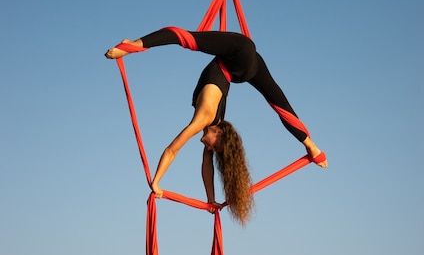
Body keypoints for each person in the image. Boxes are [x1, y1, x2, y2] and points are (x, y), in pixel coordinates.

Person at [105, 28, 327, 226]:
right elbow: (173, 149)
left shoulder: (213, 126)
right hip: (238, 52)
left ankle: (311, 145)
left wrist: (210, 200)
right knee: (185, 38)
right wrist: (157, 182)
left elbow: (206, 166)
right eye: (214, 147)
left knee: (279, 103)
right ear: (219, 132)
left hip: (243, 70)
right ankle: (132, 45)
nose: (209, 149)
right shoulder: (204, 119)